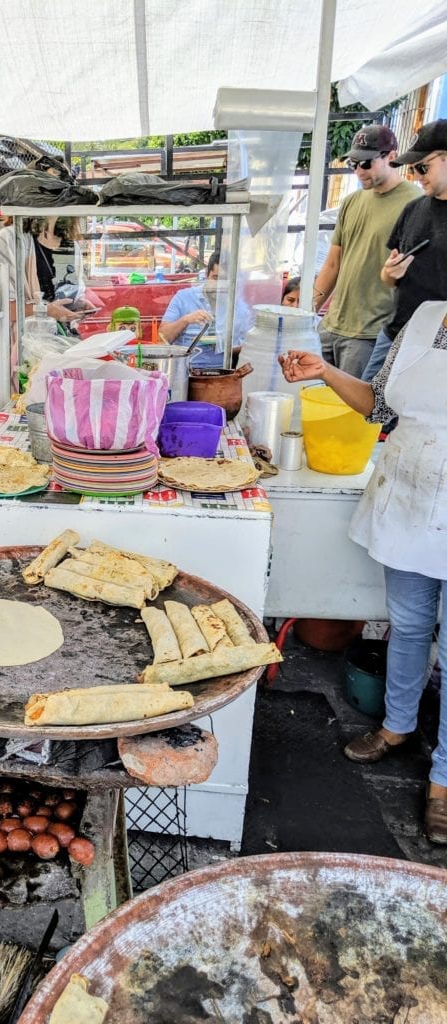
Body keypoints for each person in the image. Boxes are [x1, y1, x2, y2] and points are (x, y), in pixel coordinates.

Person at [279, 299, 447, 843]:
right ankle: (397, 727)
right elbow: (379, 405)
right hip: (408, 498)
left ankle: (444, 780)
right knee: (409, 624)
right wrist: (325, 372)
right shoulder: (425, 318)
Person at [311, 125, 420, 379]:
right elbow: (333, 264)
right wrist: (309, 311)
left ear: (391, 157)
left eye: (366, 163)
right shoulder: (351, 201)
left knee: (351, 413)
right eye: (353, 163)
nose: (359, 170)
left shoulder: (415, 204)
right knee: (312, 404)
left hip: (370, 333)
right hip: (330, 325)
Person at [362, 119, 447, 382]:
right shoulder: (414, 209)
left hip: (437, 344)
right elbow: (389, 278)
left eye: (423, 167)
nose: (417, 176)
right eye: (413, 169)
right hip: (395, 333)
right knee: (365, 412)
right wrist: (390, 272)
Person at [0, 215, 89, 325]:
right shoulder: (8, 240)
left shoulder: (71, 246)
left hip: (63, 338)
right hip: (25, 339)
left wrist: (78, 305)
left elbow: (66, 297)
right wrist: (45, 311)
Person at [159, 251, 252, 368]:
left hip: (221, 371)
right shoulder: (183, 297)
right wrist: (186, 320)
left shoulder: (238, 307)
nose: (218, 285)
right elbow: (163, 336)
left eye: (224, 281)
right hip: (186, 369)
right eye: (215, 278)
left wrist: (224, 346)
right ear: (207, 274)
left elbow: (247, 346)